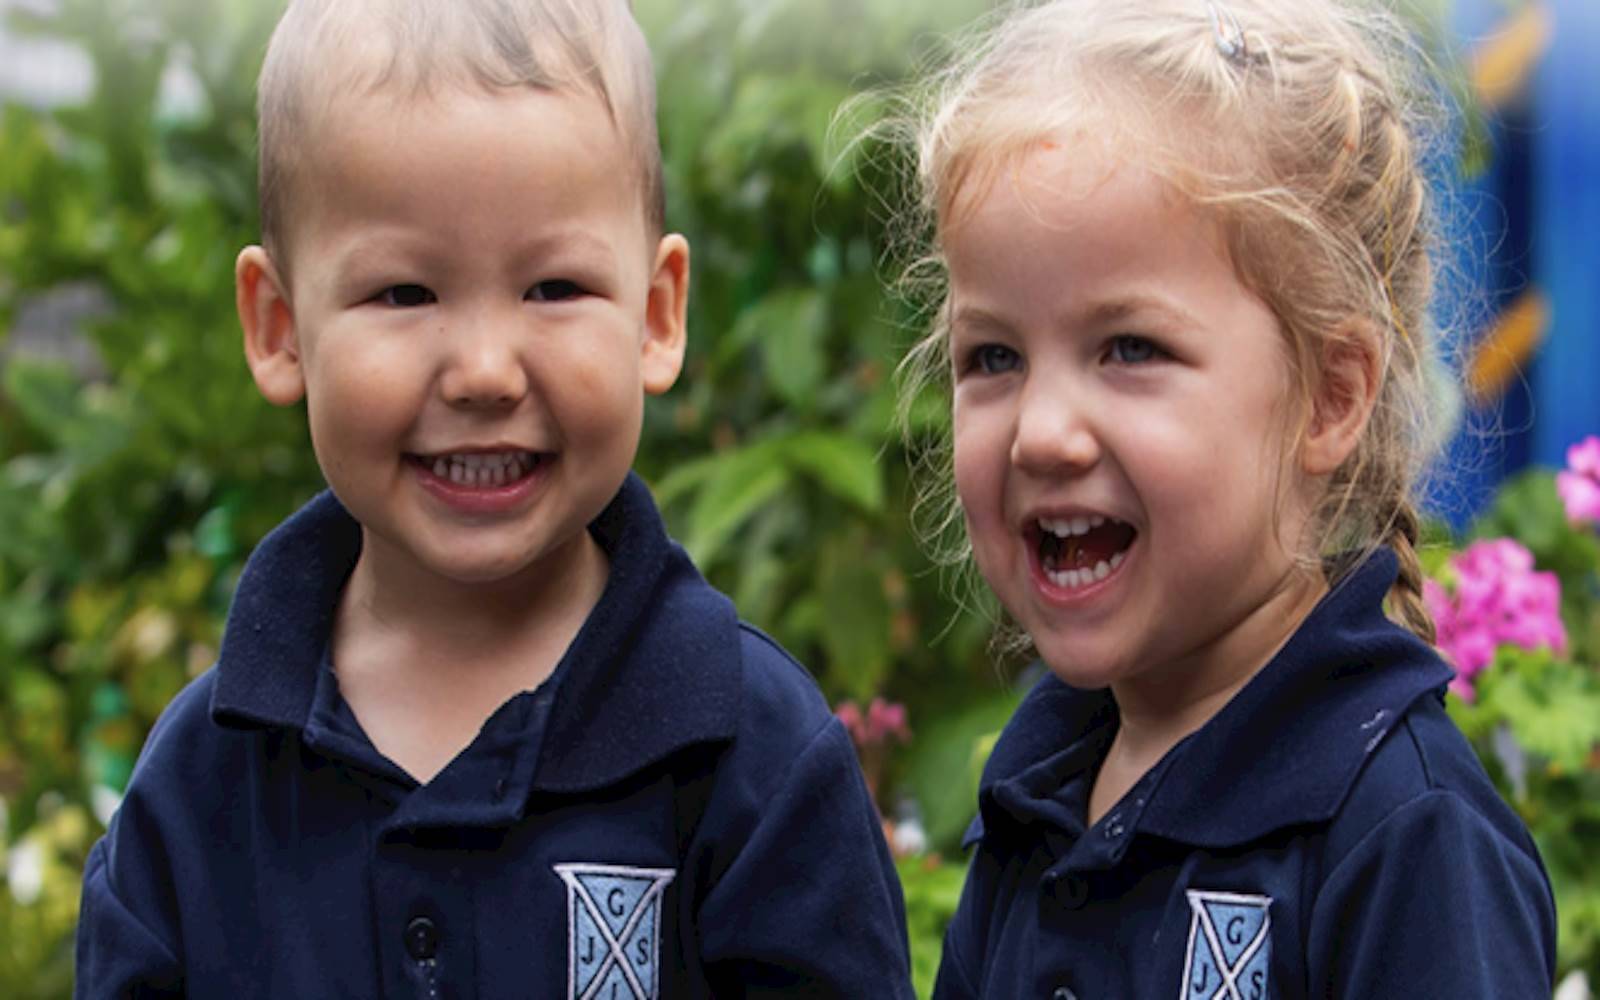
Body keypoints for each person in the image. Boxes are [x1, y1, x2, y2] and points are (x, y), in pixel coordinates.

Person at [73, 1, 914, 996]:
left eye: (552, 287)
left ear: (655, 313)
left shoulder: (752, 759)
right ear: (279, 326)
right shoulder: (200, 792)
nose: (482, 371)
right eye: (405, 294)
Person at [884, 0, 1558, 996]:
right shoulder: (1039, 792)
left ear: (1329, 397)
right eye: (993, 356)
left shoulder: (1404, 839)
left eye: (1128, 349)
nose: (1039, 432)